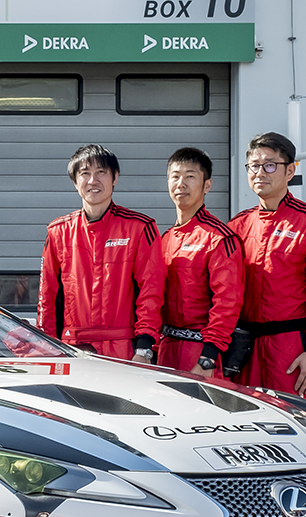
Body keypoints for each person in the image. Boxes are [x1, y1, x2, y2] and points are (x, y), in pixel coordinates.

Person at [227, 132, 306, 396]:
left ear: (290, 171)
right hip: (243, 348)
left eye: (269, 165)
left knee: (298, 426)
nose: (260, 173)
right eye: (254, 166)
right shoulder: (237, 225)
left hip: (291, 347)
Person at [37, 144, 163, 362]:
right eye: (85, 173)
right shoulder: (58, 231)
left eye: (101, 173)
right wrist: (46, 348)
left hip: (125, 349)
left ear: (115, 178)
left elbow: (151, 292)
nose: (92, 180)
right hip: (72, 350)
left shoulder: (140, 228)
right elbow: (47, 299)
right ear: (75, 182)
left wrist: (144, 348)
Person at [155, 147, 242, 376]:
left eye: (190, 176)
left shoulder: (220, 238)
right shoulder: (164, 239)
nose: (181, 183)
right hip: (166, 350)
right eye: (175, 176)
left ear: (207, 185)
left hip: (200, 352)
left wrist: (208, 358)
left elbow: (227, 302)